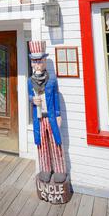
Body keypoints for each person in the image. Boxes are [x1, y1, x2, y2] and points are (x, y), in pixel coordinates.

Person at [28, 41, 66, 184]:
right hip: (39, 118)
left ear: (44, 62)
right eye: (35, 62)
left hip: (50, 117)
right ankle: (45, 169)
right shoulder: (29, 82)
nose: (37, 65)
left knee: (56, 142)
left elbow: (56, 98)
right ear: (32, 63)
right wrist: (32, 99)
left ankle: (60, 170)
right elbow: (29, 97)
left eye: (40, 62)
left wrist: (58, 114)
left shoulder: (51, 81)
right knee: (42, 143)